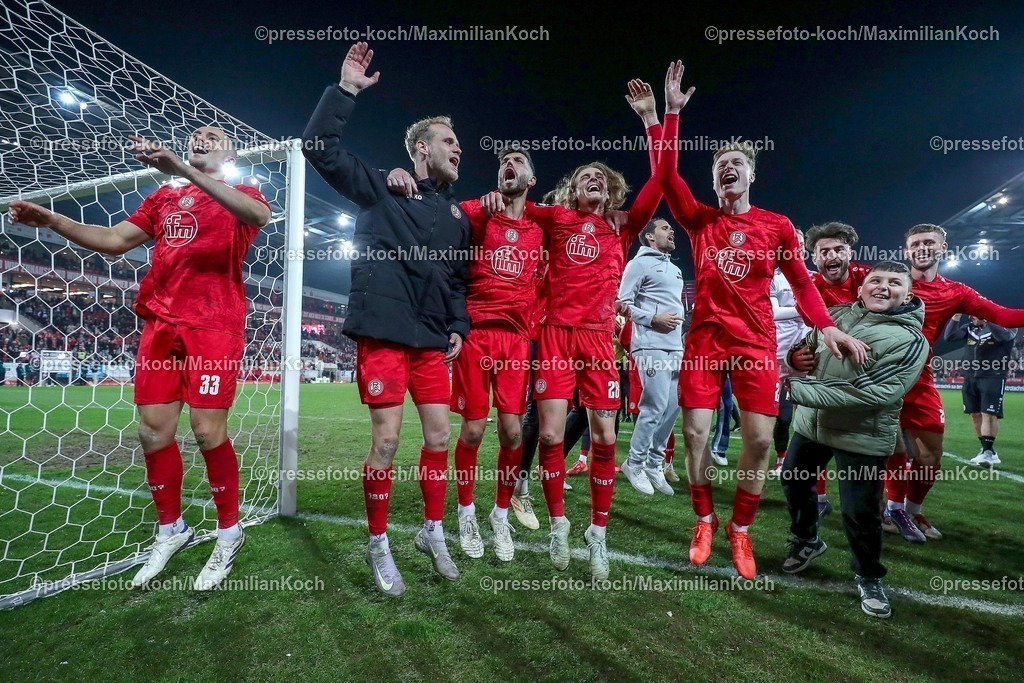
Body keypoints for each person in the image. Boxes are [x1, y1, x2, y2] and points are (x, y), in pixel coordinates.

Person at [10, 126, 271, 591]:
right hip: (160, 325)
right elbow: (114, 240)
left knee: (207, 431)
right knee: (152, 432)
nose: (202, 138)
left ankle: (230, 532)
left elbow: (258, 215)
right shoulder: (163, 199)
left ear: (231, 152)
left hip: (212, 325)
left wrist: (183, 169)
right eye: (196, 134)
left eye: (213, 135)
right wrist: (53, 221)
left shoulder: (242, 194)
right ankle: (172, 528)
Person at [656, 61, 867, 579]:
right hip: (705, 341)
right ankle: (704, 519)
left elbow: (800, 283)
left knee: (755, 443)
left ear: (753, 173)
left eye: (736, 163)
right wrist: (670, 115)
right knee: (697, 434)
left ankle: (741, 530)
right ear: (714, 179)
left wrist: (829, 327)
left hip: (756, 345)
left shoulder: (776, 226)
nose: (727, 168)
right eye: (719, 164)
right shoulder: (700, 220)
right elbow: (664, 176)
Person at [302, 43, 470, 596]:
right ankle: (378, 542)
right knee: (388, 442)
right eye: (450, 141)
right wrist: (345, 90)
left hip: (430, 342)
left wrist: (457, 325)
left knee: (440, 438)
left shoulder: (454, 217)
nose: (459, 150)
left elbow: (456, 281)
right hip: (383, 336)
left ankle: (431, 532)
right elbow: (319, 149)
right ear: (421, 148)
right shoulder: (380, 186)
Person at [480, 78, 664, 580]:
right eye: (585, 175)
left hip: (599, 340)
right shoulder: (555, 219)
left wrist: (653, 119)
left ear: (610, 191)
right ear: (572, 188)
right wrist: (493, 196)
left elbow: (664, 179)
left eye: (600, 176)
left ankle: (597, 532)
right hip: (556, 336)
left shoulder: (622, 226)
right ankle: (560, 523)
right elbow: (512, 197)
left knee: (605, 436)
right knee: (554, 434)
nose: (594, 179)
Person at [386, 146, 545, 563]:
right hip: (477, 334)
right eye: (502, 161)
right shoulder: (475, 211)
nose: (508, 165)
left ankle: (501, 513)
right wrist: (404, 174)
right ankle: (467, 511)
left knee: (512, 432)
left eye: (519, 162)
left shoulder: (541, 226)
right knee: (472, 431)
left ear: (531, 181)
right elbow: (438, 209)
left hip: (516, 341)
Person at [781, 261, 928, 619]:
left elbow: (876, 394)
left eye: (894, 283)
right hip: (810, 426)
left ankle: (868, 575)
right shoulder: (833, 316)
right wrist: (793, 358)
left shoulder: (911, 340)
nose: (882, 287)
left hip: (861, 434)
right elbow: (804, 349)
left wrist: (800, 388)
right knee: (794, 485)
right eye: (875, 280)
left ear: (908, 294)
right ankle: (807, 540)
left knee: (859, 513)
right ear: (861, 287)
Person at [884, 225, 1024, 540]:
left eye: (929, 243)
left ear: (942, 248)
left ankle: (911, 511)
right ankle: (885, 511)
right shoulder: (885, 280)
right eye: (915, 243)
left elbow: (1001, 316)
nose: (922, 248)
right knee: (887, 452)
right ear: (906, 251)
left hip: (919, 380)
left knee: (931, 453)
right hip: (878, 378)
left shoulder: (955, 291)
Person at [618, 218, 684, 496]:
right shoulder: (638, 264)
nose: (671, 231)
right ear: (649, 237)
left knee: (673, 407)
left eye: (671, 228)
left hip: (674, 346)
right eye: (664, 228)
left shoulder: (677, 269)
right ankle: (634, 463)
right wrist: (652, 318)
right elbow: (621, 302)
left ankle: (654, 464)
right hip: (649, 345)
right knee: (654, 406)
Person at [942, 313, 1016, 467]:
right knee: (974, 414)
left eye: (974, 315)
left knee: (989, 413)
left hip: (993, 375)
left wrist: (987, 320)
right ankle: (987, 450)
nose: (971, 318)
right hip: (970, 376)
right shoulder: (970, 328)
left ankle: (988, 452)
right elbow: (949, 337)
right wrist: (956, 316)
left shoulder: (1006, 327)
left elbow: (1004, 336)